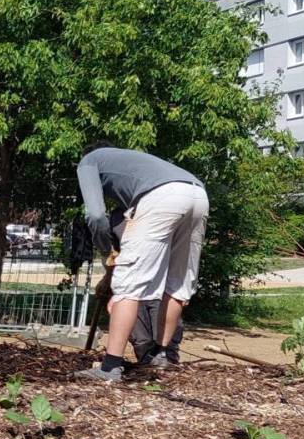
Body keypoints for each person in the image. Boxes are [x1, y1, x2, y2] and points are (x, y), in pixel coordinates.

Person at [73, 143, 208, 381]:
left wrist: (109, 253)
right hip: (198, 193)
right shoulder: (131, 160)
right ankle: (162, 355)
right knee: (178, 281)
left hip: (162, 197)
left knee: (128, 285)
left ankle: (109, 367)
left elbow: (96, 216)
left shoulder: (89, 161)